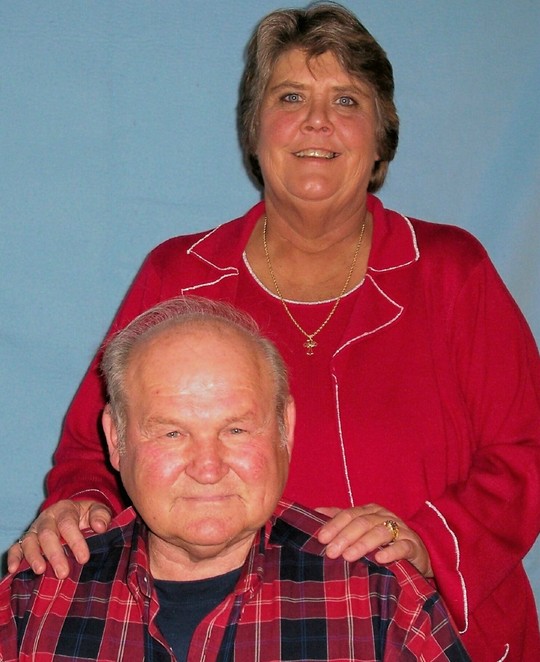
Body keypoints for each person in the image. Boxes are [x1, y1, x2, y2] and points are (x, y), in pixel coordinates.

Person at [7, 3, 540, 660]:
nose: (317, 120)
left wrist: (428, 542)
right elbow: (94, 448)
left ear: (381, 137)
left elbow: (527, 451)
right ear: (254, 129)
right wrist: (79, 503)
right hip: (234, 635)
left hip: (442, 634)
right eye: (291, 97)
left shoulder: (452, 272)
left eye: (346, 100)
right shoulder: (179, 275)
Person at [0, 297, 471, 661]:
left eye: (237, 430)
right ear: (116, 439)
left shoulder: (380, 597)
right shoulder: (34, 599)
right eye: (172, 433)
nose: (208, 468)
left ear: (285, 429)